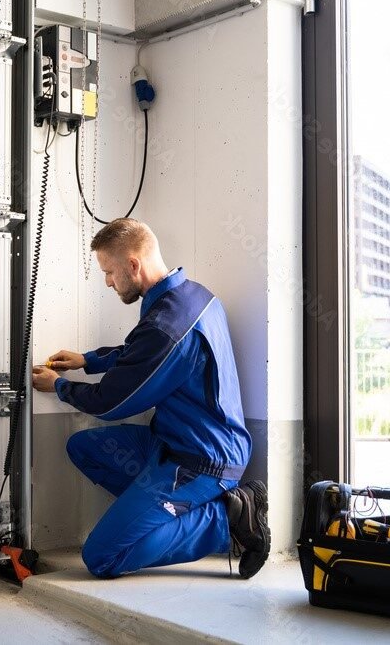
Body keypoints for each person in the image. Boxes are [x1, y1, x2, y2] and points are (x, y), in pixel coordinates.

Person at [31, 218, 270, 579]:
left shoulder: (168, 326)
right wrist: (88, 360)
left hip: (203, 461)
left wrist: (61, 387)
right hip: (170, 443)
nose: (108, 282)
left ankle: (227, 517)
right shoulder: (191, 296)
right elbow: (139, 353)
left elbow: (110, 403)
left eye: (109, 272)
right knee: (83, 447)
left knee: (101, 557)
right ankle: (161, 515)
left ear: (133, 265)